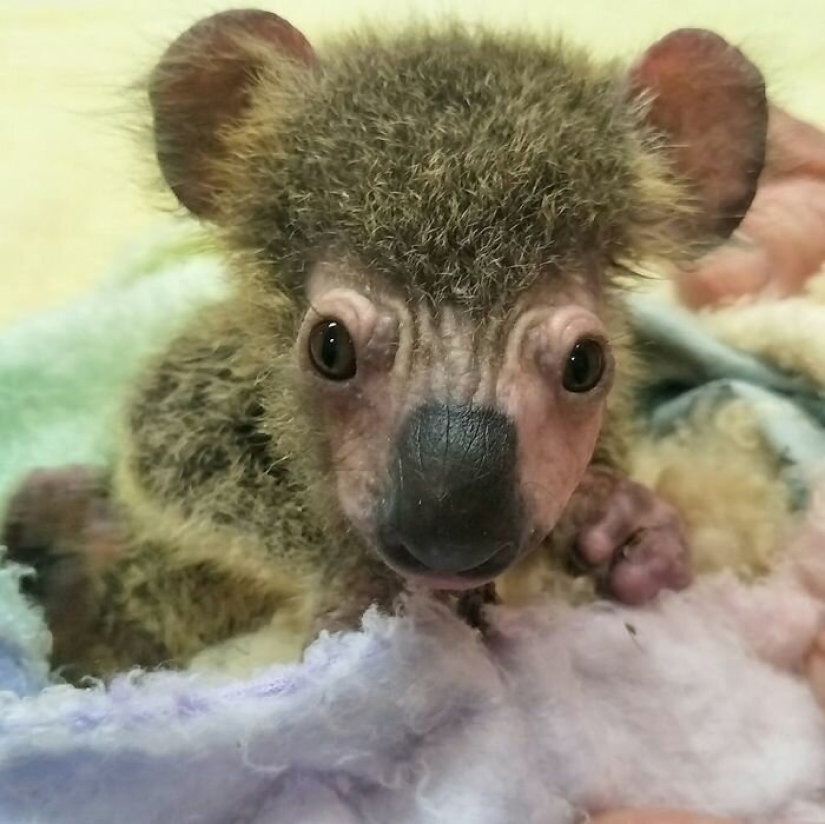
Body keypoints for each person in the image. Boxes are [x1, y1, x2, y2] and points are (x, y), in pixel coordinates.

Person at [593, 108, 825, 824]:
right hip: (674, 665)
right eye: (684, 183)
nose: (726, 200)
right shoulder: (637, 337)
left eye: (774, 173)